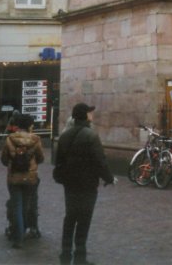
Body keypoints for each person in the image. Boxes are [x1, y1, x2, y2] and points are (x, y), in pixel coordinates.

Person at [54, 103, 116, 265]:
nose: (92, 114)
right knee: (84, 220)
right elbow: (100, 161)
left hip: (70, 183)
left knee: (70, 217)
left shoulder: (65, 136)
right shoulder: (91, 136)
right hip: (87, 184)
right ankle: (80, 256)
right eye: (90, 112)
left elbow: (58, 160)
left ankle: (65, 254)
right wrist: (109, 178)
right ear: (85, 115)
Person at [1, 113, 44, 249]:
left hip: (14, 177)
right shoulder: (36, 139)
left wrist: (13, 161)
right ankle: (23, 231)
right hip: (30, 178)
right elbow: (41, 158)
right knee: (25, 207)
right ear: (29, 125)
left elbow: (4, 159)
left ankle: (18, 238)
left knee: (16, 206)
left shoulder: (10, 139)